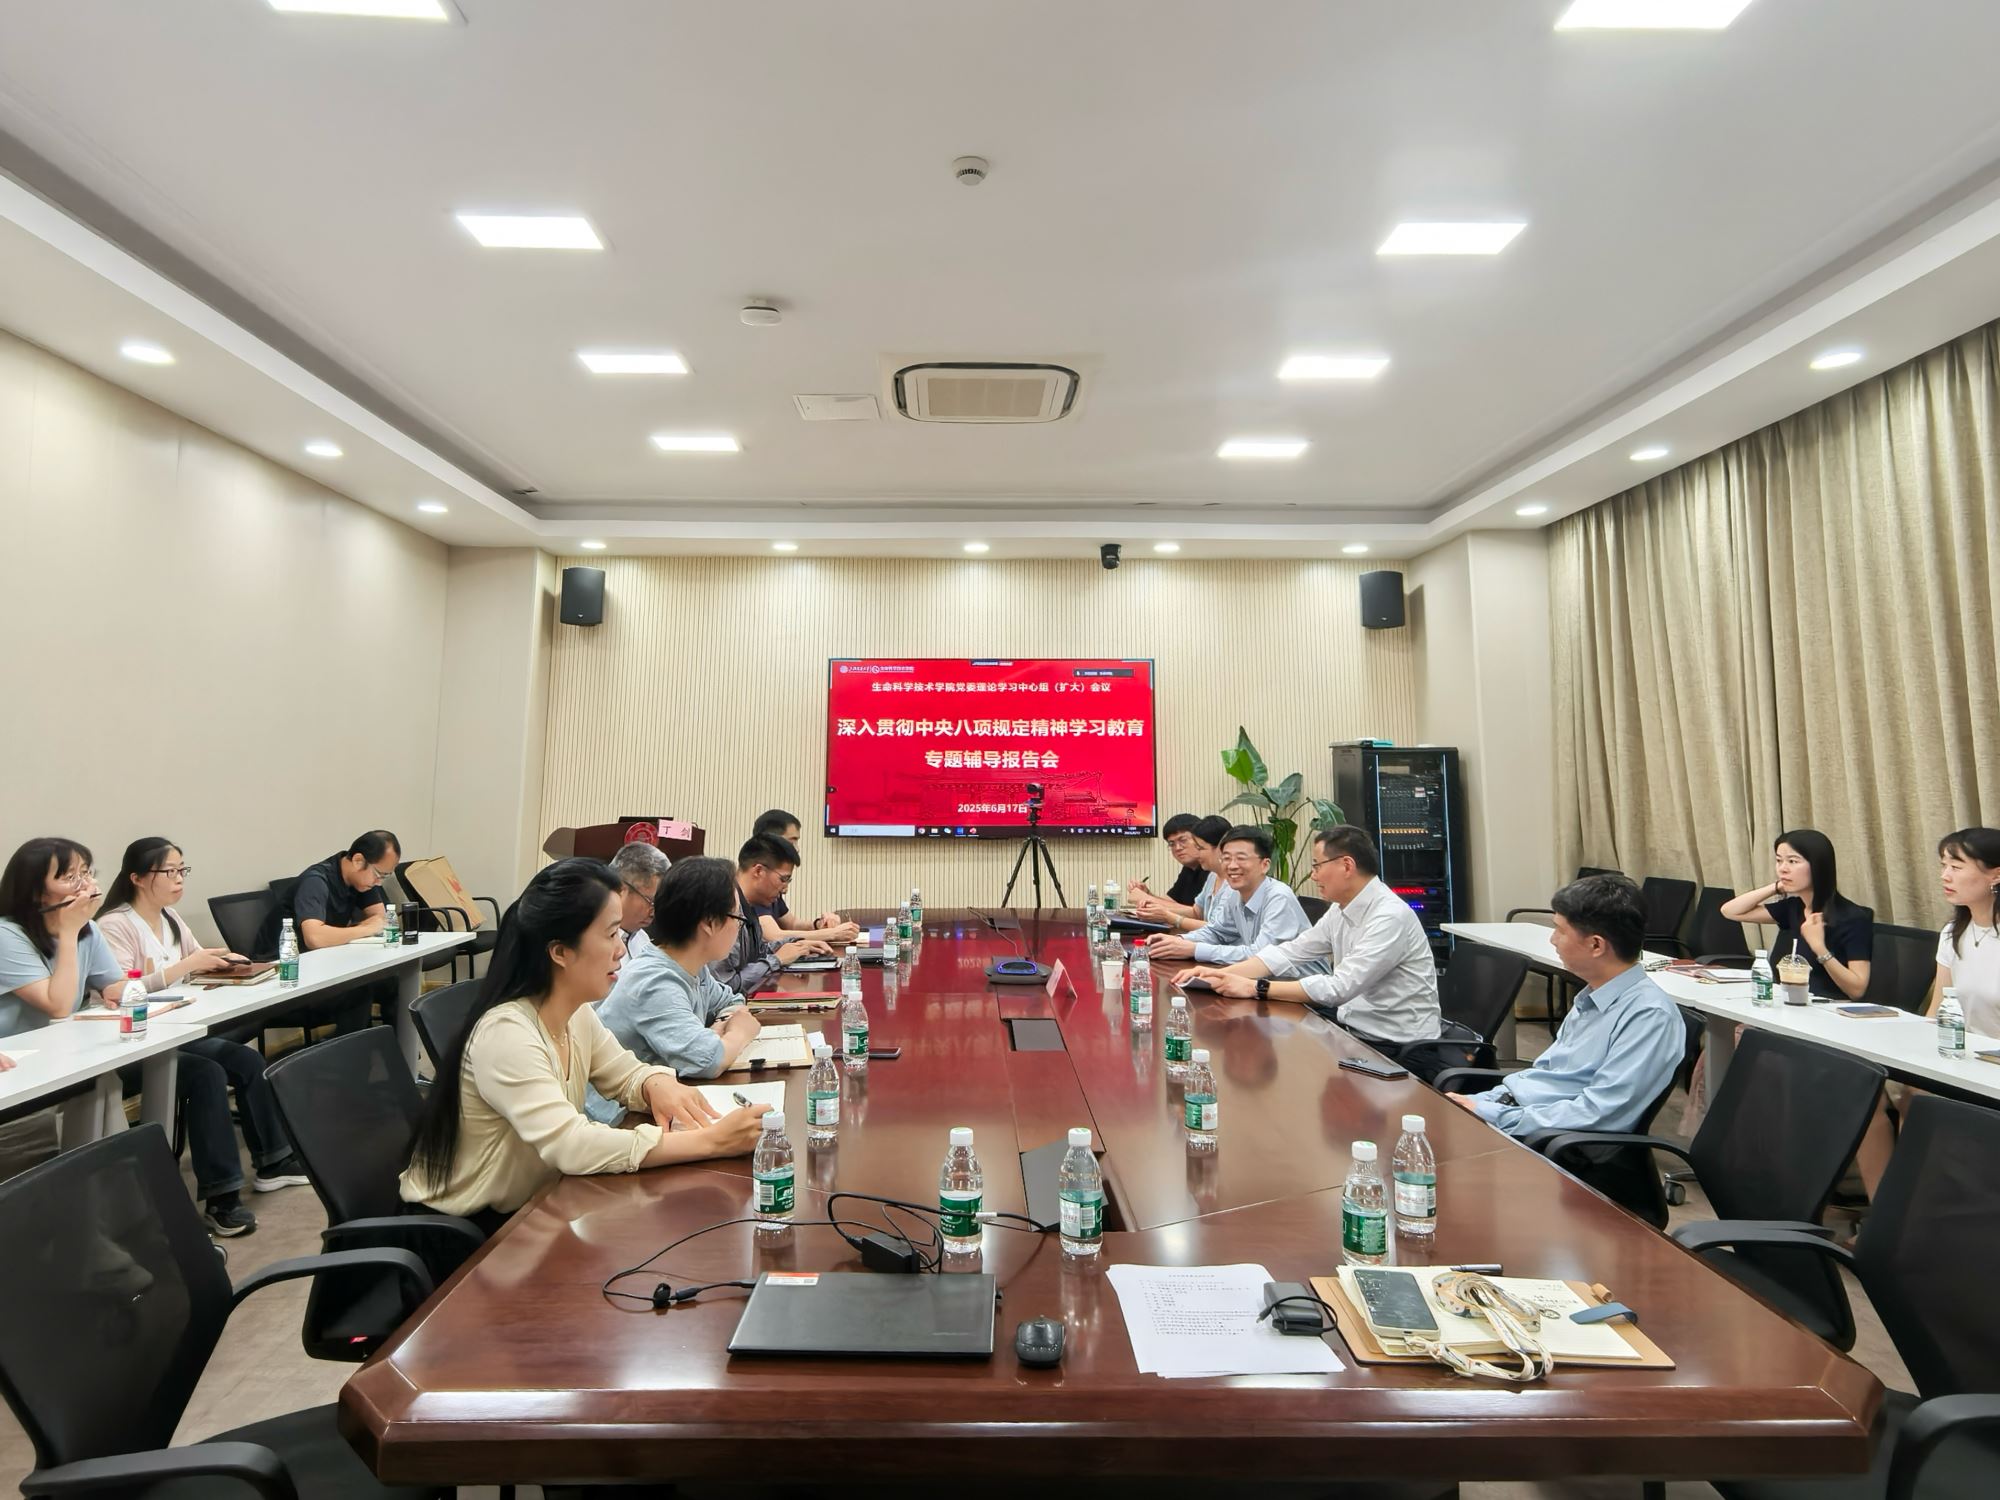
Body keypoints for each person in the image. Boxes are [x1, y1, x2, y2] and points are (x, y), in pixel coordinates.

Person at [400, 858, 768, 1233]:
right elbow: (571, 1145)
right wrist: (711, 1142)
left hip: (538, 1205)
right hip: (470, 1233)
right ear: (560, 951)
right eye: (610, 935)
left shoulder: (574, 1013)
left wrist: (654, 1083)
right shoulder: (507, 1033)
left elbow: (624, 1073)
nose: (621, 950)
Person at [96, 838, 311, 1224]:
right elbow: (121, 989)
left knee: (246, 1061)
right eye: (170, 871)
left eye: (182, 870)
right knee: (207, 1074)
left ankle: (274, 1163)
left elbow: (196, 959)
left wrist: (224, 959)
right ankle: (221, 1196)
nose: (179, 879)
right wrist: (187, 965)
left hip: (176, 1029)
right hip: (131, 1044)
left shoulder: (169, 917)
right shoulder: (114, 925)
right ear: (138, 878)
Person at [1447, 874, 1685, 1139]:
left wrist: (1492, 1114)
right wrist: (1479, 1103)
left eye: (1560, 930)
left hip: (1549, 1140)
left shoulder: (1648, 1015)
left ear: (1596, 945)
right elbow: (1546, 1075)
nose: (1553, 940)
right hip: (1520, 1115)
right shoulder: (1591, 996)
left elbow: (1599, 1113)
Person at [1178, 826, 1441, 1049]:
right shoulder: (1340, 909)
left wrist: (1256, 988)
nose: (1313, 875)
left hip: (1397, 1046)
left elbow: (1339, 987)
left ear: (1346, 865)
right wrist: (1220, 976)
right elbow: (1289, 952)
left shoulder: (1389, 916)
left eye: (1317, 866)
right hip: (1352, 1029)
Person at [590, 859, 762, 1115]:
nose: (739, 927)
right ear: (709, 923)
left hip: (658, 1103)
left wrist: (719, 1029)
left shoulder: (693, 966)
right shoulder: (655, 981)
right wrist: (739, 1032)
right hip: (617, 1118)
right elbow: (709, 1060)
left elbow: (732, 1001)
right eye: (737, 918)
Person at [1719, 829, 1873, 1000]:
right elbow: (1730, 911)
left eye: (1792, 861)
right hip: (1789, 1003)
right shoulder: (1793, 907)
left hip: (1828, 1008)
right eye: (1779, 860)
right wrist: (1778, 886)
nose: (1783, 869)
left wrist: (1819, 947)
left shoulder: (1852, 918)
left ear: (1817, 866)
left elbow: (1857, 990)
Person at [1145, 825, 1310, 964]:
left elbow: (1261, 956)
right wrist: (1179, 941)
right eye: (1226, 858)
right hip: (1259, 980)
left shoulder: (1278, 897)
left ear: (1264, 865)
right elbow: (1217, 932)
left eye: (1241, 858)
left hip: (1296, 984)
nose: (1232, 866)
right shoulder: (1235, 894)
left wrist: (1194, 949)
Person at [709, 834, 835, 993]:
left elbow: (757, 952)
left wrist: (798, 943)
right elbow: (725, 986)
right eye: (783, 879)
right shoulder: (724, 909)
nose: (785, 889)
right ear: (759, 871)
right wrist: (776, 960)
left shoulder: (748, 906)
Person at [746, 810, 859, 946]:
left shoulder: (771, 882)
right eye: (792, 841)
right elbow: (774, 936)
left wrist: (819, 925)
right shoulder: (756, 884)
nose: (797, 849)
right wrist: (832, 934)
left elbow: (791, 924)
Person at [1934, 827, 2000, 1036]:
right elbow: (1937, 1013)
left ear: (1996, 875)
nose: (1945, 876)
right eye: (1944, 865)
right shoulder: (1952, 932)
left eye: (1956, 867)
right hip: (1961, 1051)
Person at [1130, 814, 1230, 930]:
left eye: (1200, 848)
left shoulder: (1228, 878)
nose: (1177, 848)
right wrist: (1148, 897)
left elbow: (1217, 928)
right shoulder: (1212, 875)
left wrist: (1167, 915)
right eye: (1172, 844)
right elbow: (1196, 912)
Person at [1129, 813, 1211, 909]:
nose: (1178, 848)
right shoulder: (1188, 868)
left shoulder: (1212, 869)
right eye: (1172, 844)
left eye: (1183, 840)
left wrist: (1146, 898)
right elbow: (1172, 903)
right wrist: (1147, 894)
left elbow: (1198, 913)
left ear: (1200, 839)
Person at [608, 840, 672, 961]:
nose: (654, 913)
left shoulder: (642, 939)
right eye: (651, 901)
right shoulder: (592, 940)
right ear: (621, 890)